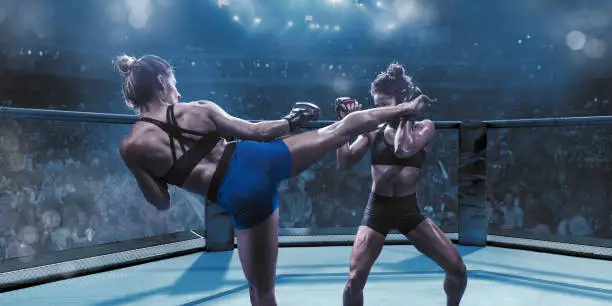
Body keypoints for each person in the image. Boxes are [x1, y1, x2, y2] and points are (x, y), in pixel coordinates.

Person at [115, 54, 433, 306]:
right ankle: (407, 107)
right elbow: (258, 132)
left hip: (237, 197)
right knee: (342, 129)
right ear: (160, 82)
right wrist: (291, 121)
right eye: (173, 84)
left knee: (261, 294)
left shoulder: (131, 146)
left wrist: (166, 173)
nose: (178, 91)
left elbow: (161, 202)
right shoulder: (198, 109)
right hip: (256, 160)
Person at [336, 63, 467, 306]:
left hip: (408, 210)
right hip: (378, 210)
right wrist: (346, 126)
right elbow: (344, 161)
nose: (379, 111)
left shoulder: (425, 127)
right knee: (355, 279)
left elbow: (403, 148)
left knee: (458, 270)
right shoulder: (372, 131)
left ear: (402, 99)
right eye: (376, 105)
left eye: (384, 105)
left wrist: (408, 113)